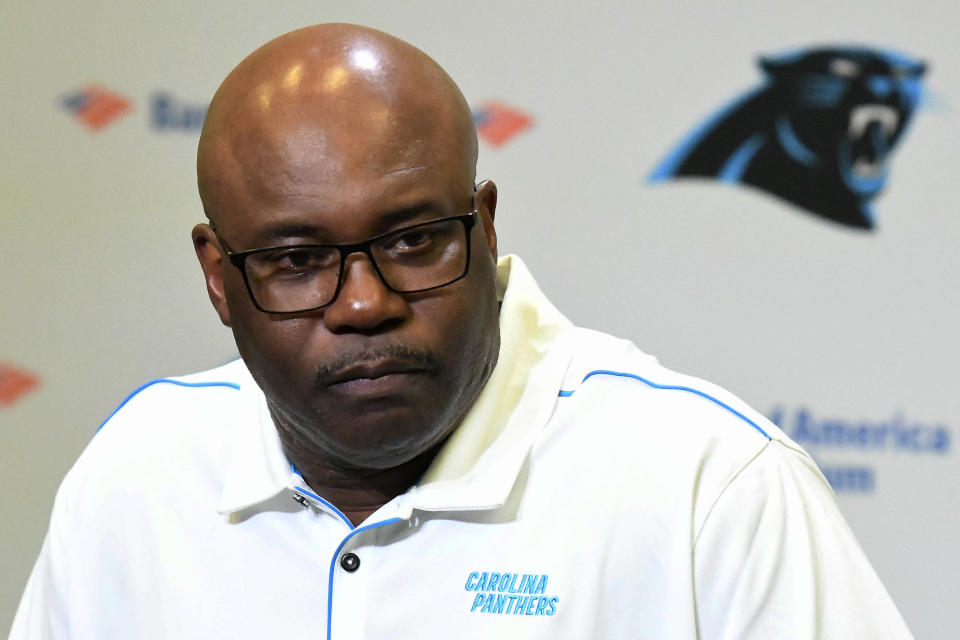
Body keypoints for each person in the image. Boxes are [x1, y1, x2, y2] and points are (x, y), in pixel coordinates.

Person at [10, 24, 912, 640]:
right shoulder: (135, 479)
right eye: (295, 260)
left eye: (411, 240)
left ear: (483, 226)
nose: (363, 303)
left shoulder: (710, 491)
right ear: (219, 277)